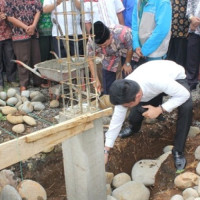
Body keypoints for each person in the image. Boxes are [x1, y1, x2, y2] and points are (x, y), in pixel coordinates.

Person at [104, 60, 192, 171]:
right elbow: (116, 120)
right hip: (151, 86)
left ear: (138, 95)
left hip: (174, 76)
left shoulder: (158, 81)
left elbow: (184, 94)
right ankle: (133, 128)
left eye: (127, 106)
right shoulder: (124, 90)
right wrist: (106, 150)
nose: (125, 108)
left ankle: (178, 151)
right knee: (135, 115)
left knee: (187, 106)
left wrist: (160, 109)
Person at [5, 0, 43, 92]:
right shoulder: (10, 1)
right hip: (19, 34)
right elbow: (10, 17)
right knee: (23, 60)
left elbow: (38, 10)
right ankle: (24, 84)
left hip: (33, 32)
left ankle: (38, 81)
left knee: (36, 58)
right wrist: (26, 27)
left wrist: (33, 25)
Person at [87, 21, 133, 94]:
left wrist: (127, 63)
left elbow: (130, 48)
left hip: (126, 52)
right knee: (108, 84)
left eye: (104, 45)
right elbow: (90, 58)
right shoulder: (92, 40)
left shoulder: (123, 33)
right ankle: (109, 98)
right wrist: (96, 79)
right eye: (100, 46)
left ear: (110, 36)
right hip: (108, 57)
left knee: (128, 78)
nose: (102, 47)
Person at [0, 0, 18, 92]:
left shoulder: (6, 1)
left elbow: (13, 13)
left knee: (10, 58)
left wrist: (6, 16)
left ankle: (11, 79)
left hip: (7, 34)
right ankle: (0, 83)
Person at [167, 0, 189, 69]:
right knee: (168, 59)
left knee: (180, 60)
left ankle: (180, 78)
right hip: (168, 31)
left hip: (182, 31)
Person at [185, 0, 200, 91]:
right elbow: (188, 12)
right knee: (192, 59)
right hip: (194, 31)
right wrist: (192, 19)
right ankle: (191, 83)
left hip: (195, 26)